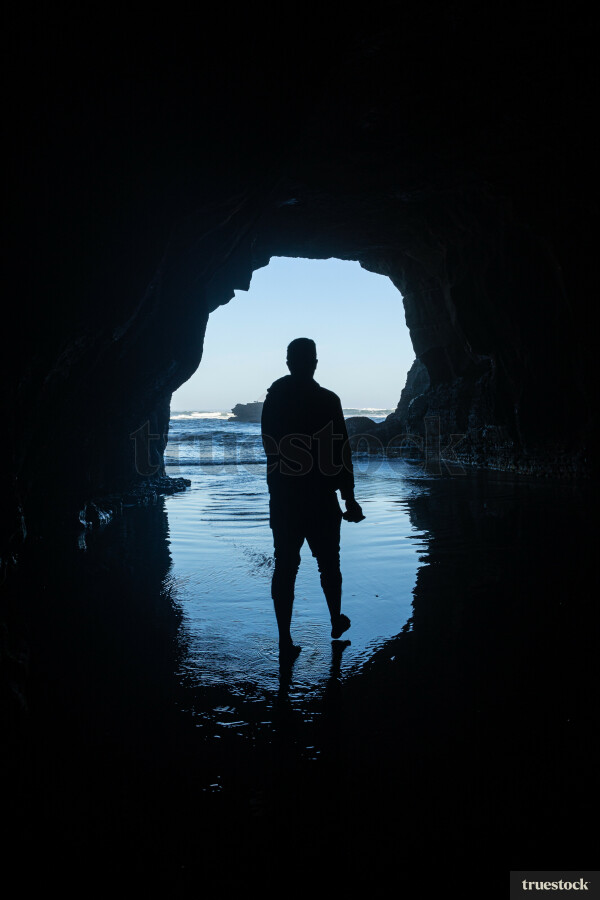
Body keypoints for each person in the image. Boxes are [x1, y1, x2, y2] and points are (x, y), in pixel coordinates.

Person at [261, 337, 365, 660]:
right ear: (315, 363)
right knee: (329, 564)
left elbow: (269, 447)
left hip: (285, 500)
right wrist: (349, 498)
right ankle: (335, 620)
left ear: (288, 362)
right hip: (321, 499)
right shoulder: (328, 401)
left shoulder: (274, 398)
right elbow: (342, 453)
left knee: (286, 566)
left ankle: (284, 640)